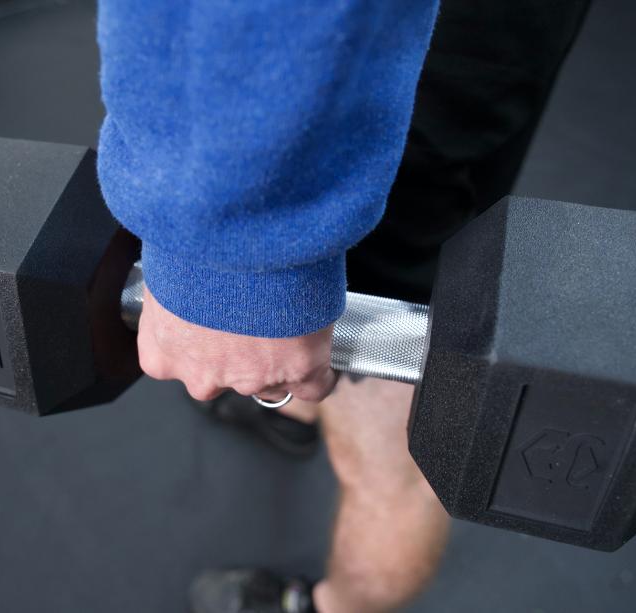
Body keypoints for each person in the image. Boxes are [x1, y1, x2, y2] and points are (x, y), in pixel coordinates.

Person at [96, 1, 590, 611]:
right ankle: (294, 406)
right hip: (457, 44)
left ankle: (340, 604)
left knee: (393, 453)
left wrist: (227, 273)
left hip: (344, 88)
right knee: (468, 153)